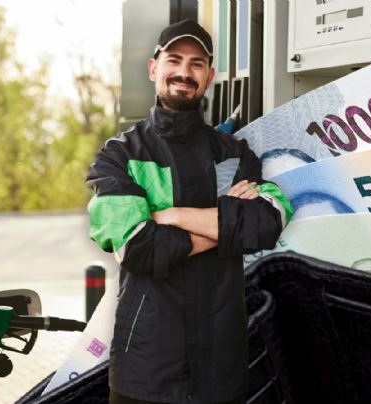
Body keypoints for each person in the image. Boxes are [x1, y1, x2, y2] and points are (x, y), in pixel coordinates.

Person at [86, 19, 292, 404]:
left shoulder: (233, 152)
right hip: (145, 372)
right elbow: (140, 249)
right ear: (154, 68)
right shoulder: (120, 156)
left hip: (222, 370)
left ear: (210, 75)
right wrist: (226, 226)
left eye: (196, 64)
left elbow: (267, 222)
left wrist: (173, 216)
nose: (184, 72)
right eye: (174, 59)